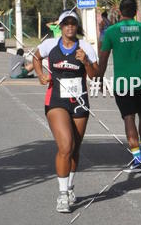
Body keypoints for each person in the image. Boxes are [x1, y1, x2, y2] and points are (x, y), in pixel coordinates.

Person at [33, 11, 99, 213]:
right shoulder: (50, 44)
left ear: (77, 27)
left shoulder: (85, 46)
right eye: (66, 23)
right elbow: (36, 56)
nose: (69, 27)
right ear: (60, 26)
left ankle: (69, 187)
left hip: (79, 102)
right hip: (56, 101)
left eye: (73, 23)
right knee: (65, 146)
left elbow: (95, 75)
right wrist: (41, 75)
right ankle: (62, 195)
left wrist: (86, 62)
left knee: (75, 149)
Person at [98, 0, 141, 170]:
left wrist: (99, 79)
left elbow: (103, 59)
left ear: (120, 12)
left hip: (123, 82)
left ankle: (137, 158)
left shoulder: (111, 31)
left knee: (129, 118)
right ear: (135, 12)